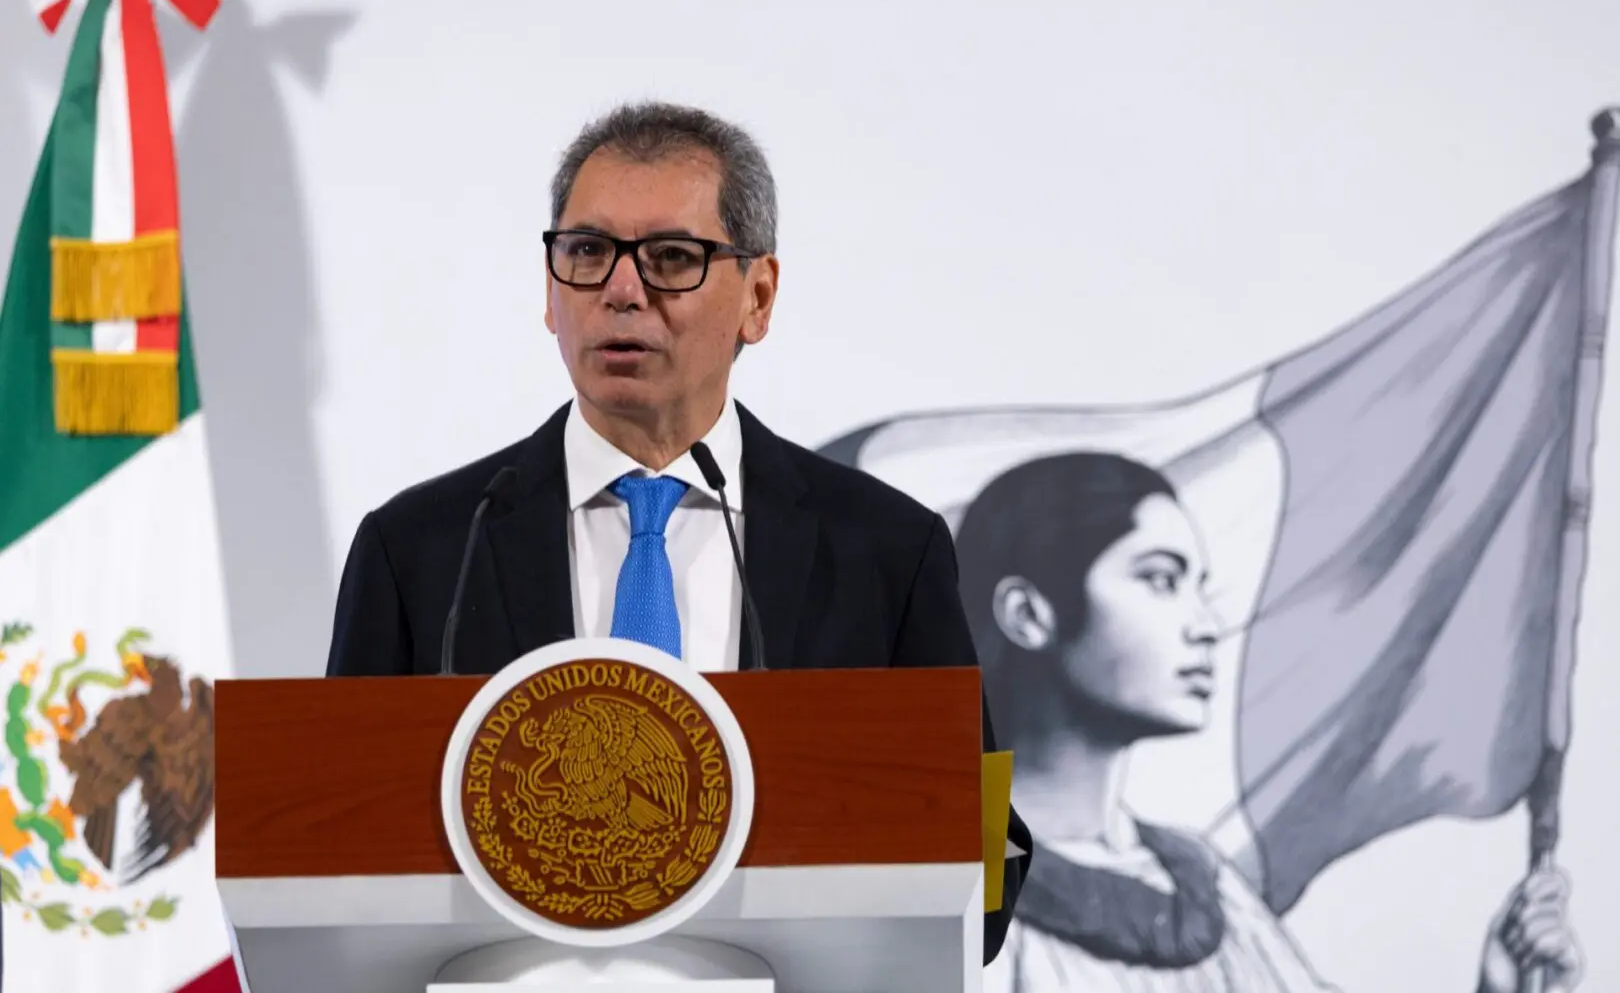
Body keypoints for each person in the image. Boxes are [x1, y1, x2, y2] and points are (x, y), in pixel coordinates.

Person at [324, 100, 1031, 962]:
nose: (623, 291)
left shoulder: (886, 549)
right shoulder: (425, 549)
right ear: (551, 293)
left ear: (758, 297)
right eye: (586, 253)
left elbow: (988, 849)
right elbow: (331, 849)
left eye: (671, 258)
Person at [957, 451, 1583, 992]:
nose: (1203, 625)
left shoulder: (1201, 883)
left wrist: (1496, 989)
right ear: (1028, 614)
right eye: (1159, 579)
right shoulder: (945, 878)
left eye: (1198, 587)